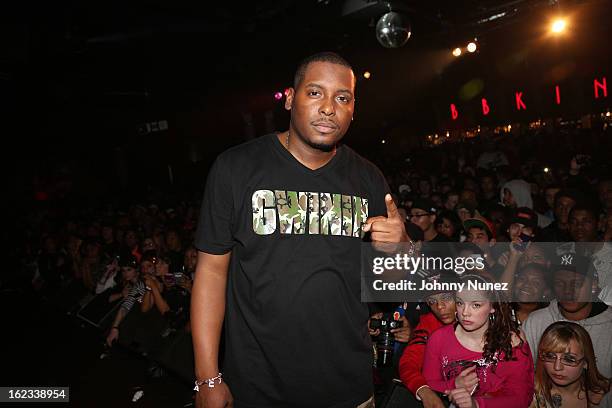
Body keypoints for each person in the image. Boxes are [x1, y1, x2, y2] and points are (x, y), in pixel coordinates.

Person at [191, 52, 408, 408]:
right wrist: (207, 378)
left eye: (342, 98)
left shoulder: (368, 177)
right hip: (258, 387)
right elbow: (212, 271)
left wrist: (400, 248)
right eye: (315, 93)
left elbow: (395, 282)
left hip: (347, 389)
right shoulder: (236, 168)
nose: (328, 108)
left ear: (353, 109)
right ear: (290, 99)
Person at [423, 274, 534, 408]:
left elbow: (521, 398)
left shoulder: (511, 342)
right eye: (460, 303)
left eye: (475, 305)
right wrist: (453, 385)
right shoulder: (439, 338)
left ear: (492, 306)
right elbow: (428, 384)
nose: (465, 312)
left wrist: (477, 404)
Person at [523, 253, 612, 379]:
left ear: (593, 284)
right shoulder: (536, 321)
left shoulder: (609, 326)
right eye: (559, 283)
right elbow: (523, 375)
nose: (567, 291)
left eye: (576, 284)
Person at [398, 272, 458, 408]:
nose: (440, 306)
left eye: (447, 297)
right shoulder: (428, 323)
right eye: (432, 301)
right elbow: (409, 361)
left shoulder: (480, 318)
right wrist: (423, 390)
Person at [532, 321, 610, 408]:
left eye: (569, 359)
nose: (557, 367)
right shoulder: (530, 394)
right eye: (550, 356)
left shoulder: (606, 395)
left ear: (586, 362)